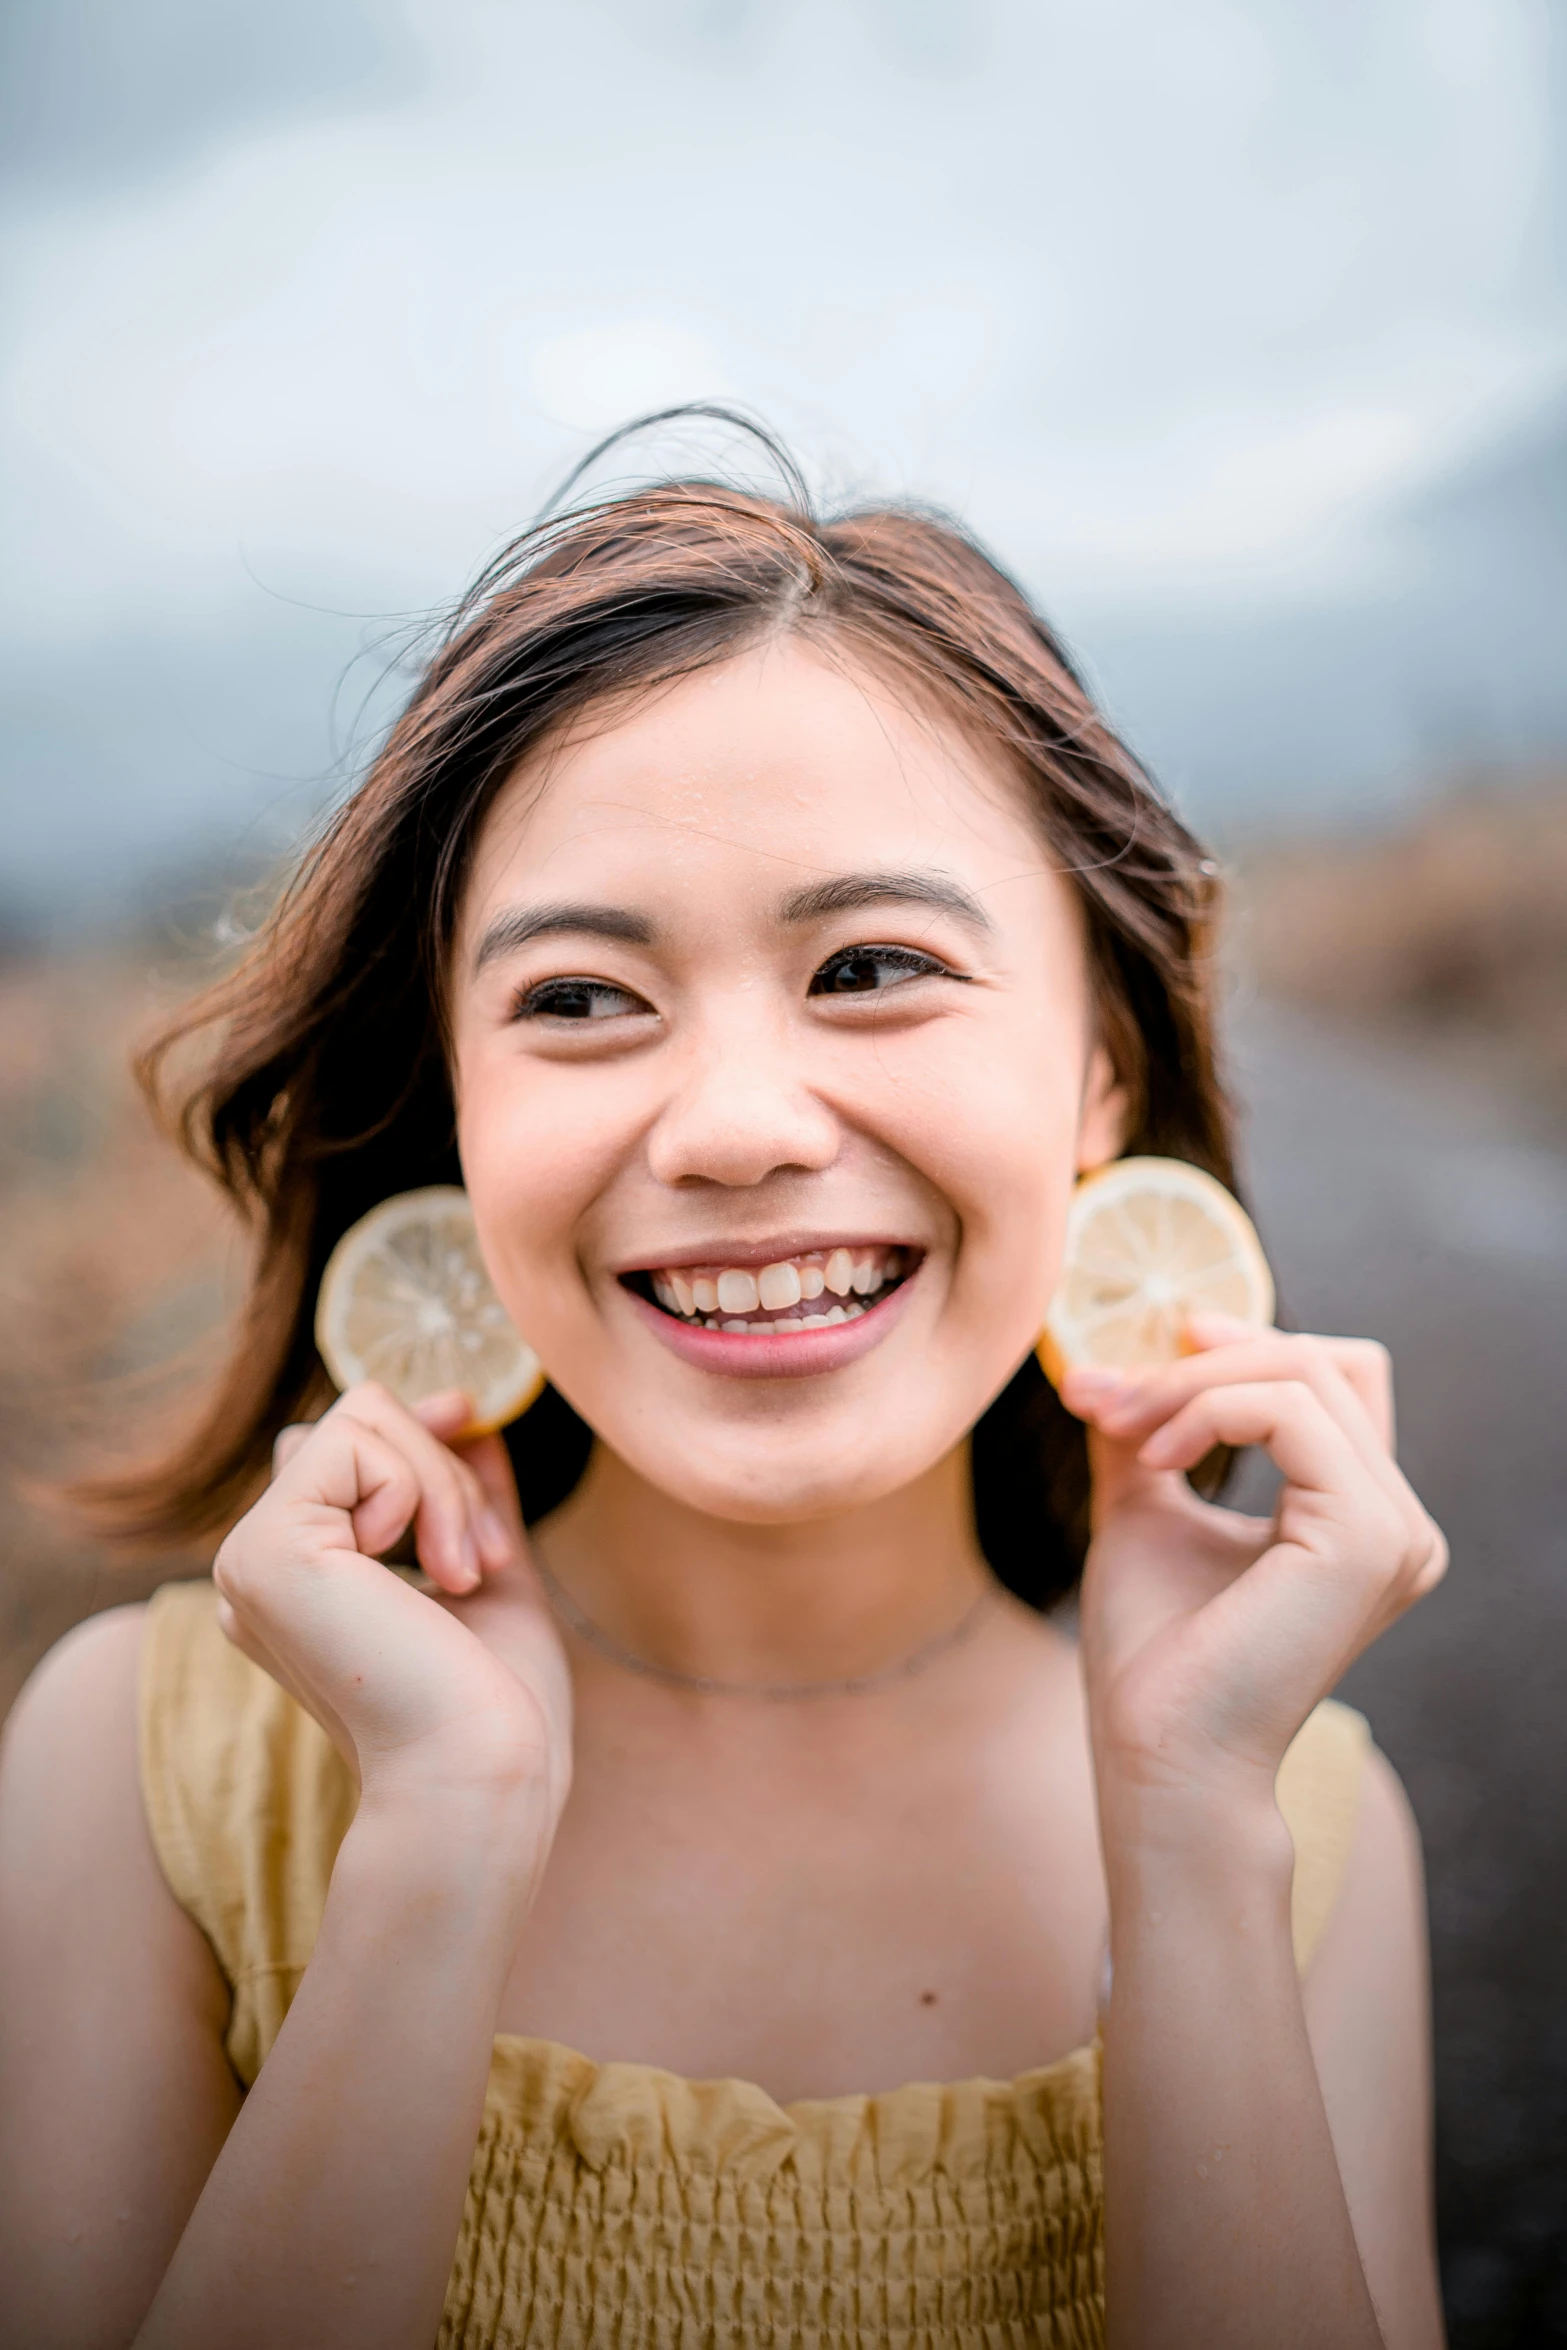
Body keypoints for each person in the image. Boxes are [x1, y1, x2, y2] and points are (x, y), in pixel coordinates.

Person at [0, 424, 1448, 2350]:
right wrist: (438, 1839)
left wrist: (1187, 1835)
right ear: (455, 1101)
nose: (740, 1128)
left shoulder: (1300, 1824)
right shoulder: (142, 1765)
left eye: (870, 964)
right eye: (580, 999)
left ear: (1096, 1066)